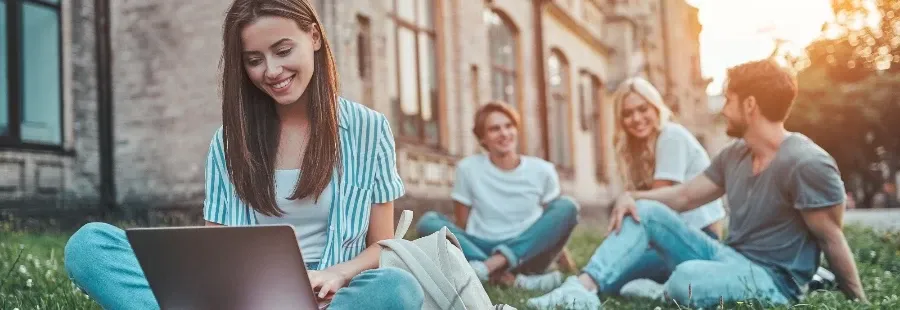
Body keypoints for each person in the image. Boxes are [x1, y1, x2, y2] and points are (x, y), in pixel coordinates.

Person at [62, 0, 424, 309]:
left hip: (329, 296)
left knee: (396, 288)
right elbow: (214, 249)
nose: (272, 71)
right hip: (243, 297)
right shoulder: (228, 142)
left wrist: (339, 274)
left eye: (283, 51)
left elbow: (382, 245)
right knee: (90, 246)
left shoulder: (369, 129)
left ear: (313, 37)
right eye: (254, 59)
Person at [527, 59, 867, 309]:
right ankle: (581, 291)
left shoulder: (806, 162)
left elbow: (831, 237)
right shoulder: (735, 153)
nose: (724, 109)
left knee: (685, 279)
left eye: (729, 100)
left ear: (750, 105)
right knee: (646, 210)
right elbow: (686, 195)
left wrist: (859, 301)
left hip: (774, 281)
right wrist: (632, 195)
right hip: (729, 256)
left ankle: (654, 287)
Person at [415, 102, 580, 291]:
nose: (504, 133)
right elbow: (462, 224)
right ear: (482, 139)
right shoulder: (467, 169)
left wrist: (568, 265)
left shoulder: (543, 170)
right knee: (428, 222)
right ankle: (513, 280)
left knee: (568, 206)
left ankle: (490, 268)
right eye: (494, 129)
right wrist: (465, 250)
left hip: (527, 252)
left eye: (509, 126)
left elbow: (551, 226)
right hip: (482, 248)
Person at [600, 77, 727, 297]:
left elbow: (657, 208)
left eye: (642, 109)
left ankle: (663, 289)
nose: (636, 118)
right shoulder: (635, 148)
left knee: (609, 279)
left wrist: (629, 196)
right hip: (666, 238)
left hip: (698, 240)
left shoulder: (671, 135)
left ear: (655, 107)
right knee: (612, 268)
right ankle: (661, 286)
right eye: (627, 114)